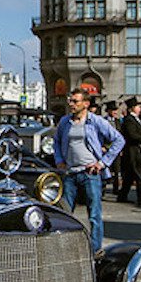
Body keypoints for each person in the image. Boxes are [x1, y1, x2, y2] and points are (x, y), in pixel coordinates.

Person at [53, 90, 125, 253]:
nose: (71, 104)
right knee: (65, 213)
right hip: (70, 173)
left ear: (85, 104)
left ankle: (95, 249)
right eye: (70, 101)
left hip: (90, 174)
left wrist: (102, 163)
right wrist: (59, 160)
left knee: (94, 214)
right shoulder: (65, 122)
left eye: (75, 101)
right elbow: (56, 141)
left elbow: (119, 140)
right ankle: (64, 247)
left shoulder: (95, 121)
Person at [116, 99, 141, 206]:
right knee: (140, 175)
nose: (139, 109)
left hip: (135, 150)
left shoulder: (136, 119)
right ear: (132, 108)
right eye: (138, 106)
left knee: (129, 176)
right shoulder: (129, 120)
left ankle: (122, 196)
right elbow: (132, 135)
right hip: (132, 151)